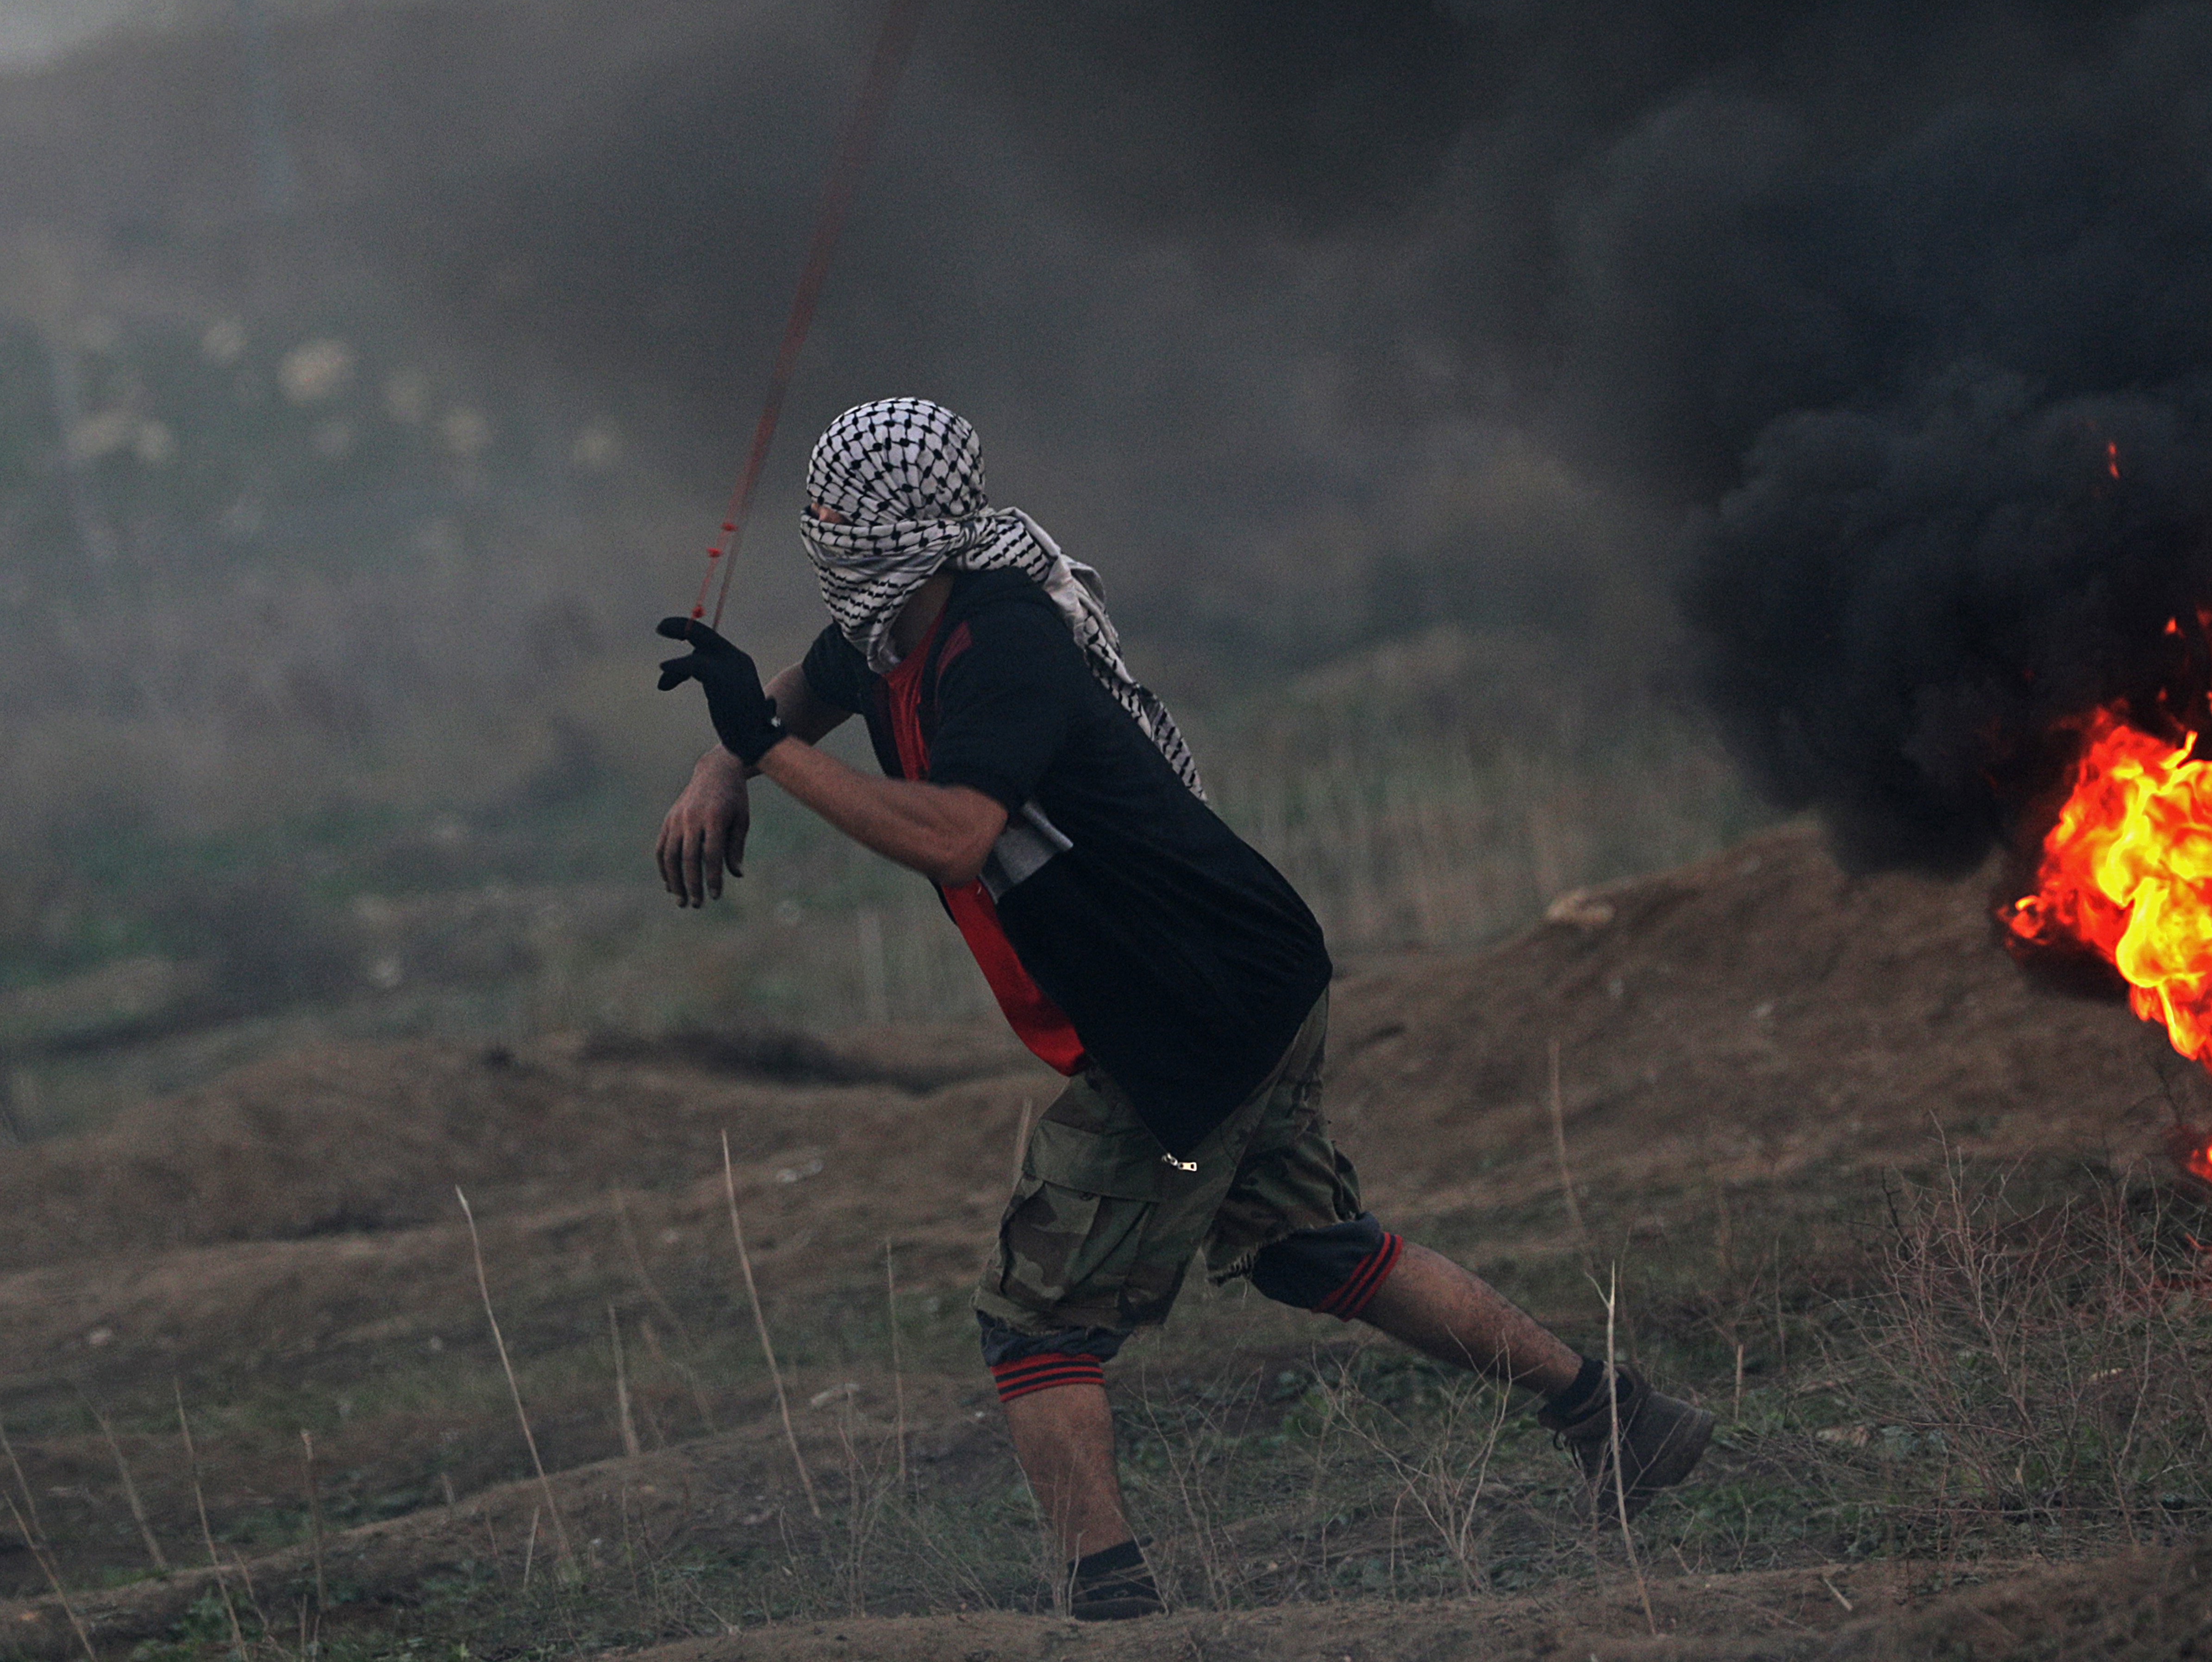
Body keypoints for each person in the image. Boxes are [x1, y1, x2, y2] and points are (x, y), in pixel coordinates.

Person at [653, 400, 1711, 1621]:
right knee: (1307, 1246)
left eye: (841, 517)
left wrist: (766, 757)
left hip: (1191, 1015)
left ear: (913, 529)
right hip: (1255, 973)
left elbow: (954, 838)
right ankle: (1614, 1413)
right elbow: (799, 691)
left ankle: (1108, 1610)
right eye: (815, 513)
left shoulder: (1003, 648)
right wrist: (719, 765)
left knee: (1035, 1319)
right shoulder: (895, 627)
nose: (822, 535)